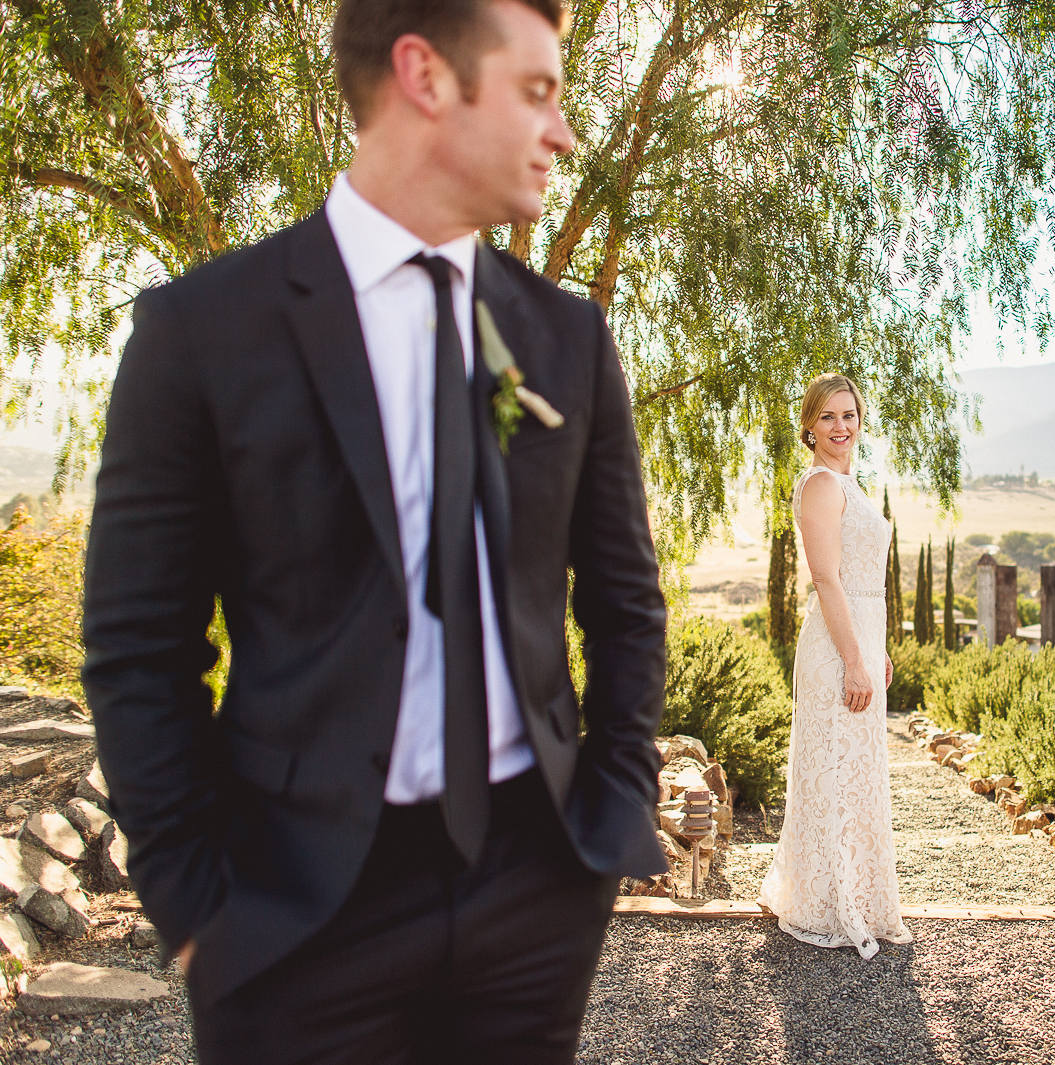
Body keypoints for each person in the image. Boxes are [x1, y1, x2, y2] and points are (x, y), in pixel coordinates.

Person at [80, 0, 668, 1060]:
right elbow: (138, 648)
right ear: (425, 76)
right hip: (292, 913)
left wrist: (605, 826)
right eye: (538, 91)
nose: (564, 133)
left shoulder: (567, 337)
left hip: (533, 896)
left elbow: (625, 604)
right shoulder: (198, 334)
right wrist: (195, 907)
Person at [758, 373, 913, 958]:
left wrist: (877, 650)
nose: (840, 427)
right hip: (834, 648)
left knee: (855, 773)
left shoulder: (853, 483)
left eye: (849, 415)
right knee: (833, 771)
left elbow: (862, 582)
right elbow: (826, 578)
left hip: (859, 637)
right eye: (827, 417)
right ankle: (824, 902)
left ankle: (856, 896)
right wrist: (853, 659)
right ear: (809, 426)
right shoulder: (821, 485)